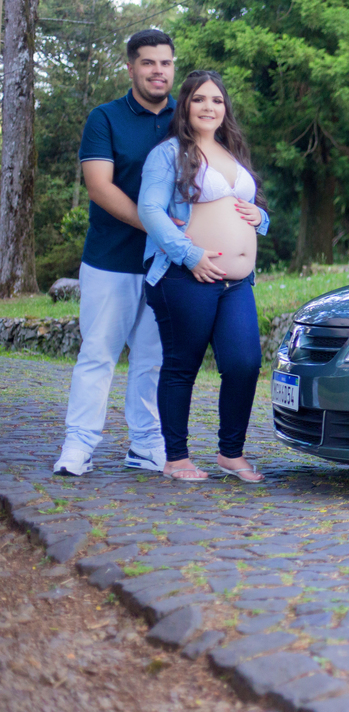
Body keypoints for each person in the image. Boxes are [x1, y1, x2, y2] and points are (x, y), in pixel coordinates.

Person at [54, 30, 177, 477]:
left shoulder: (187, 117)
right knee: (98, 354)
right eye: (148, 63)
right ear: (131, 68)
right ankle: (79, 445)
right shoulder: (104, 118)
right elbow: (99, 187)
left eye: (165, 63)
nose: (157, 71)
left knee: (153, 359)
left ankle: (146, 446)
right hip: (111, 260)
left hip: (167, 265)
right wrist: (159, 227)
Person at [138, 70, 270, 482]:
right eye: (199, 99)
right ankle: (176, 458)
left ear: (225, 108)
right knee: (182, 365)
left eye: (216, 100)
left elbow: (251, 209)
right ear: (185, 106)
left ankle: (230, 454)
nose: (208, 107)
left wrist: (261, 217)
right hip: (185, 275)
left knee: (245, 362)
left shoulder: (232, 153)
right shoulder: (168, 154)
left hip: (236, 283)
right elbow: (150, 211)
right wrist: (190, 255)